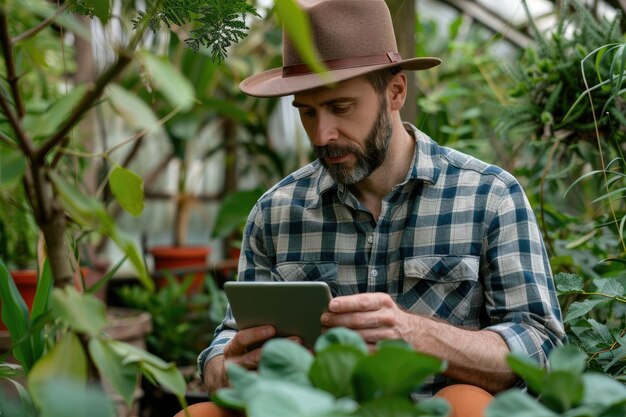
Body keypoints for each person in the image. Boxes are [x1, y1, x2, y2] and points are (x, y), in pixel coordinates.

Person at [190, 1, 566, 416]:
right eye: (307, 112)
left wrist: (416, 333)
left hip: (435, 411)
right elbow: (225, 344)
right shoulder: (275, 213)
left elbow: (542, 345)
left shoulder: (489, 196)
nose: (323, 133)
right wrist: (226, 367)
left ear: (396, 92)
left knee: (466, 405)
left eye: (341, 107)